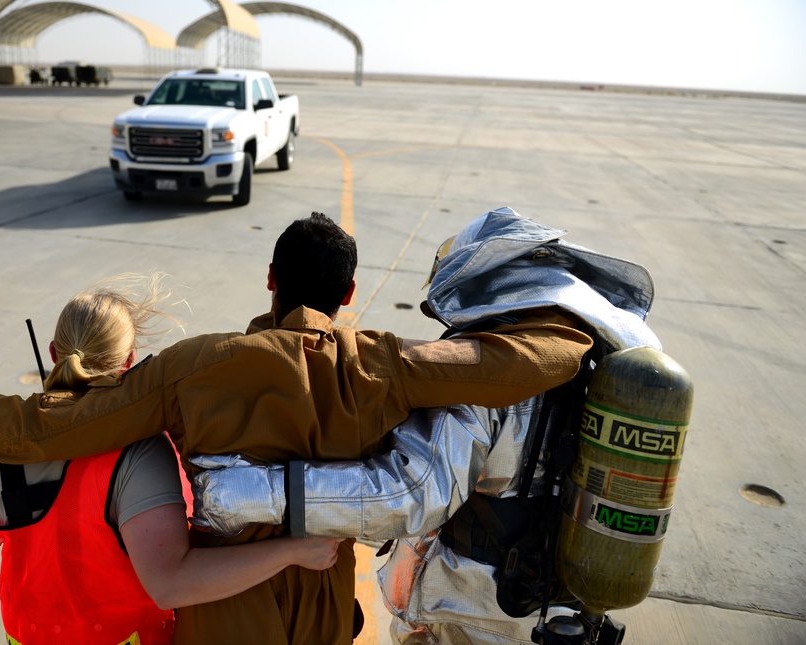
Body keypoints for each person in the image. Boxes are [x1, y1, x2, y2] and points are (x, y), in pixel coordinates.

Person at [0, 212, 594, 645]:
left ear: (270, 278)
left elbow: (74, 422)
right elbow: (526, 361)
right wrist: (575, 323)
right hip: (322, 607)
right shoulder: (383, 364)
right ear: (348, 291)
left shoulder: (191, 368)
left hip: (223, 613)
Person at [189, 208, 663, 644]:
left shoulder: (492, 378)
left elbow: (409, 494)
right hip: (556, 605)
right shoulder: (594, 364)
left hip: (471, 613)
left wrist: (245, 492)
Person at [0, 278, 342, 645]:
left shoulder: (4, 443)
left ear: (55, 354)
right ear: (129, 362)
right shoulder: (138, 453)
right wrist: (294, 551)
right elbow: (169, 584)